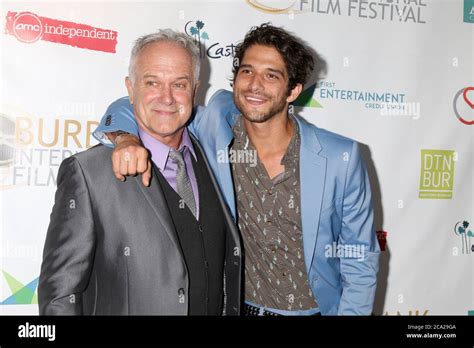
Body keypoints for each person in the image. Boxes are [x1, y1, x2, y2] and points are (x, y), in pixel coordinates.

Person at [94, 24, 380, 315]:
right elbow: (137, 103)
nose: (255, 85)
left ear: (293, 90)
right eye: (247, 71)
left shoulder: (340, 157)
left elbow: (360, 256)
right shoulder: (213, 125)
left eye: (271, 75)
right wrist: (125, 137)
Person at [38, 30, 242, 315]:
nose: (167, 97)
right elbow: (60, 295)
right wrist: (124, 136)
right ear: (130, 89)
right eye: (152, 82)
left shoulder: (215, 151)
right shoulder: (89, 173)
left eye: (179, 84)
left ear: (194, 90)